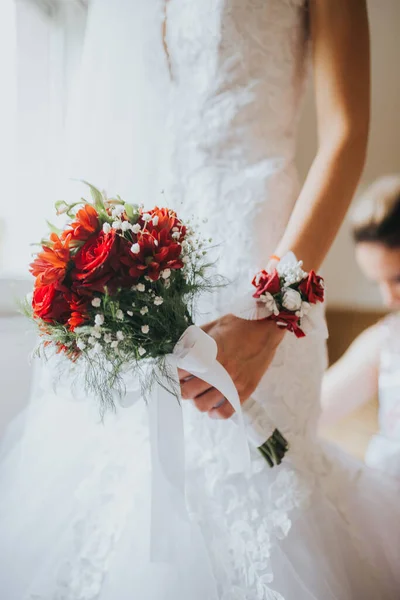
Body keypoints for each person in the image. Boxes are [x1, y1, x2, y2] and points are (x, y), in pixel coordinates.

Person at [0, 1, 399, 599]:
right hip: (153, 264)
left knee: (262, 489)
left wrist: (271, 310)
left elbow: (345, 134)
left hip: (260, 261)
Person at [321, 175, 400, 480]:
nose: (388, 298)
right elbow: (310, 411)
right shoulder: (386, 341)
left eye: (397, 279)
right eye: (377, 283)